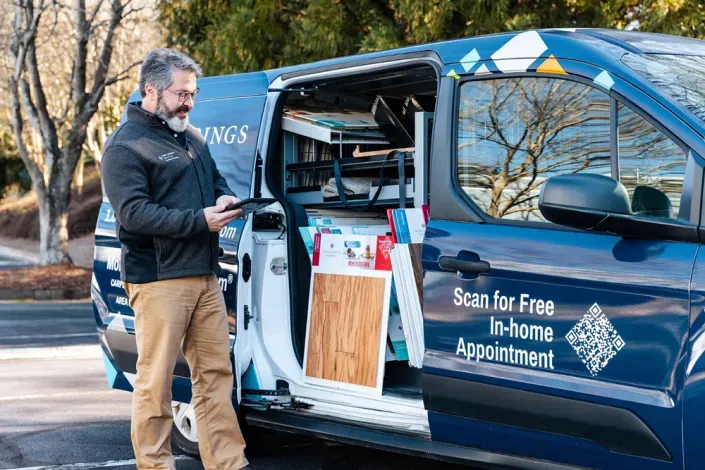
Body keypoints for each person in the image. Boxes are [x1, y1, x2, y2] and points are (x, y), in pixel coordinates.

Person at [101, 48, 248, 470]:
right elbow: (134, 214)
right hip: (159, 281)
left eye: (193, 94)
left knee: (216, 378)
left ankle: (228, 463)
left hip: (204, 276)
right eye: (181, 94)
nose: (189, 102)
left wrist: (223, 198)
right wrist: (200, 221)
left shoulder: (192, 138)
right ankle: (155, 465)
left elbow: (216, 181)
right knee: (156, 384)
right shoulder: (125, 147)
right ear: (151, 90)